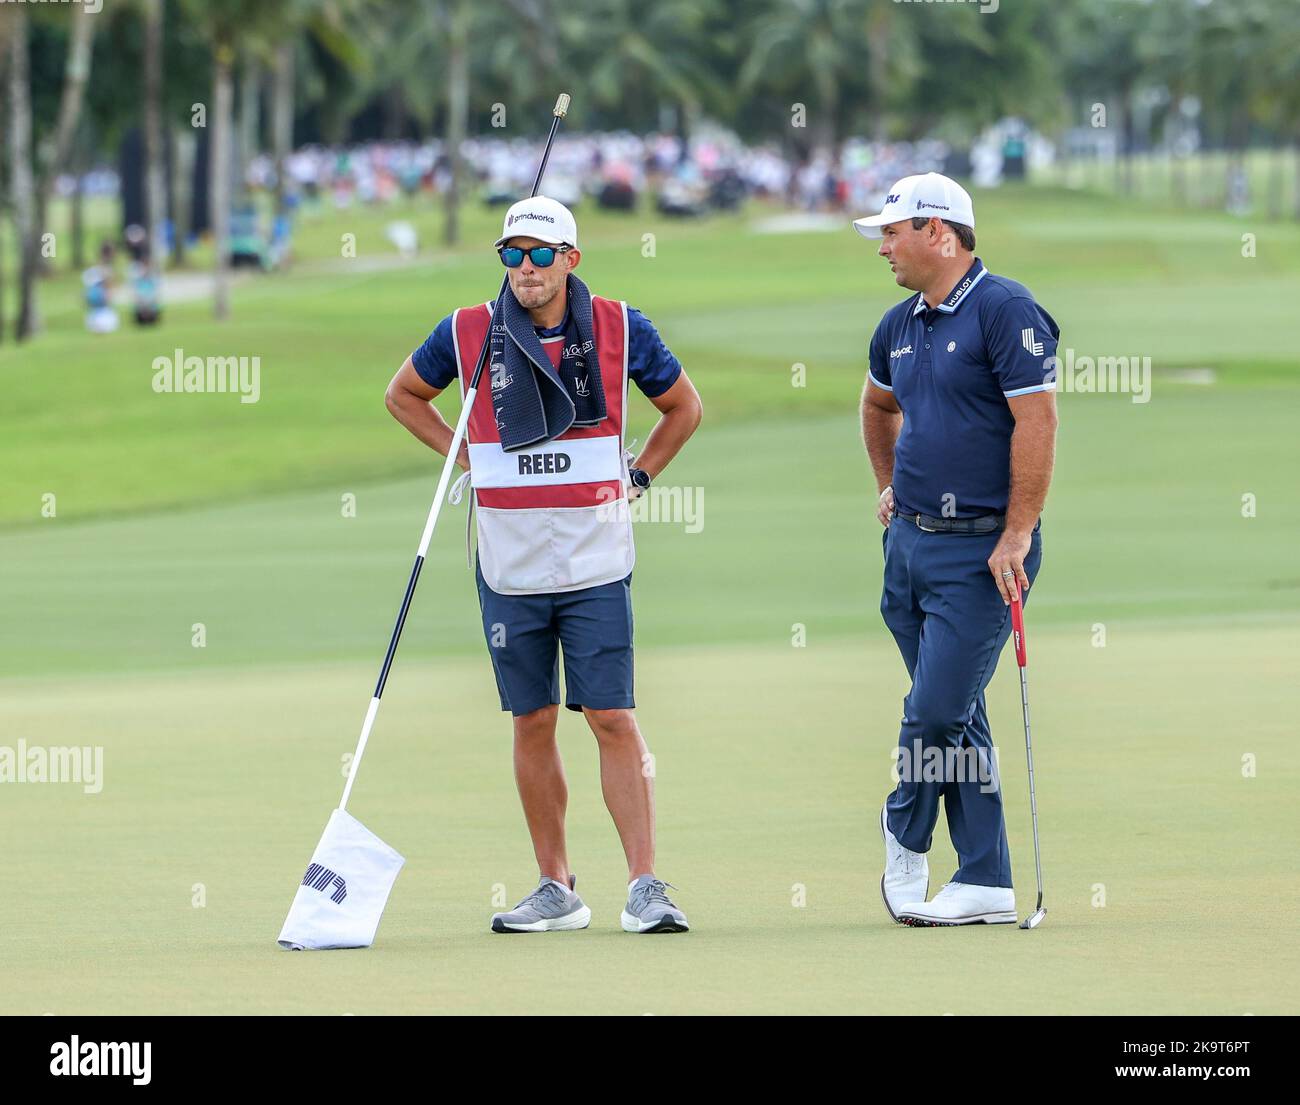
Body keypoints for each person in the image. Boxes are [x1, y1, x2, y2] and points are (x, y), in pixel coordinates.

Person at [386, 196, 703, 934]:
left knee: (611, 715)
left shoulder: (623, 326)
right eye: (512, 255)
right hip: (509, 560)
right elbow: (402, 395)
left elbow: (682, 407)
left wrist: (642, 476)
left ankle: (646, 885)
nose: (524, 269)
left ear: (570, 259)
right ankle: (556, 886)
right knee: (531, 719)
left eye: (539, 254)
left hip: (596, 556)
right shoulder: (467, 331)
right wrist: (461, 455)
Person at [855, 173, 1060, 926]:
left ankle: (904, 828)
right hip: (908, 547)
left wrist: (1019, 529)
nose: (883, 248)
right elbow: (878, 404)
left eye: (892, 232)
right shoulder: (899, 324)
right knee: (957, 710)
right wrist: (888, 482)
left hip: (984, 556)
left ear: (938, 232)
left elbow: (1038, 422)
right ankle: (985, 877)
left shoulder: (1005, 310)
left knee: (936, 708)